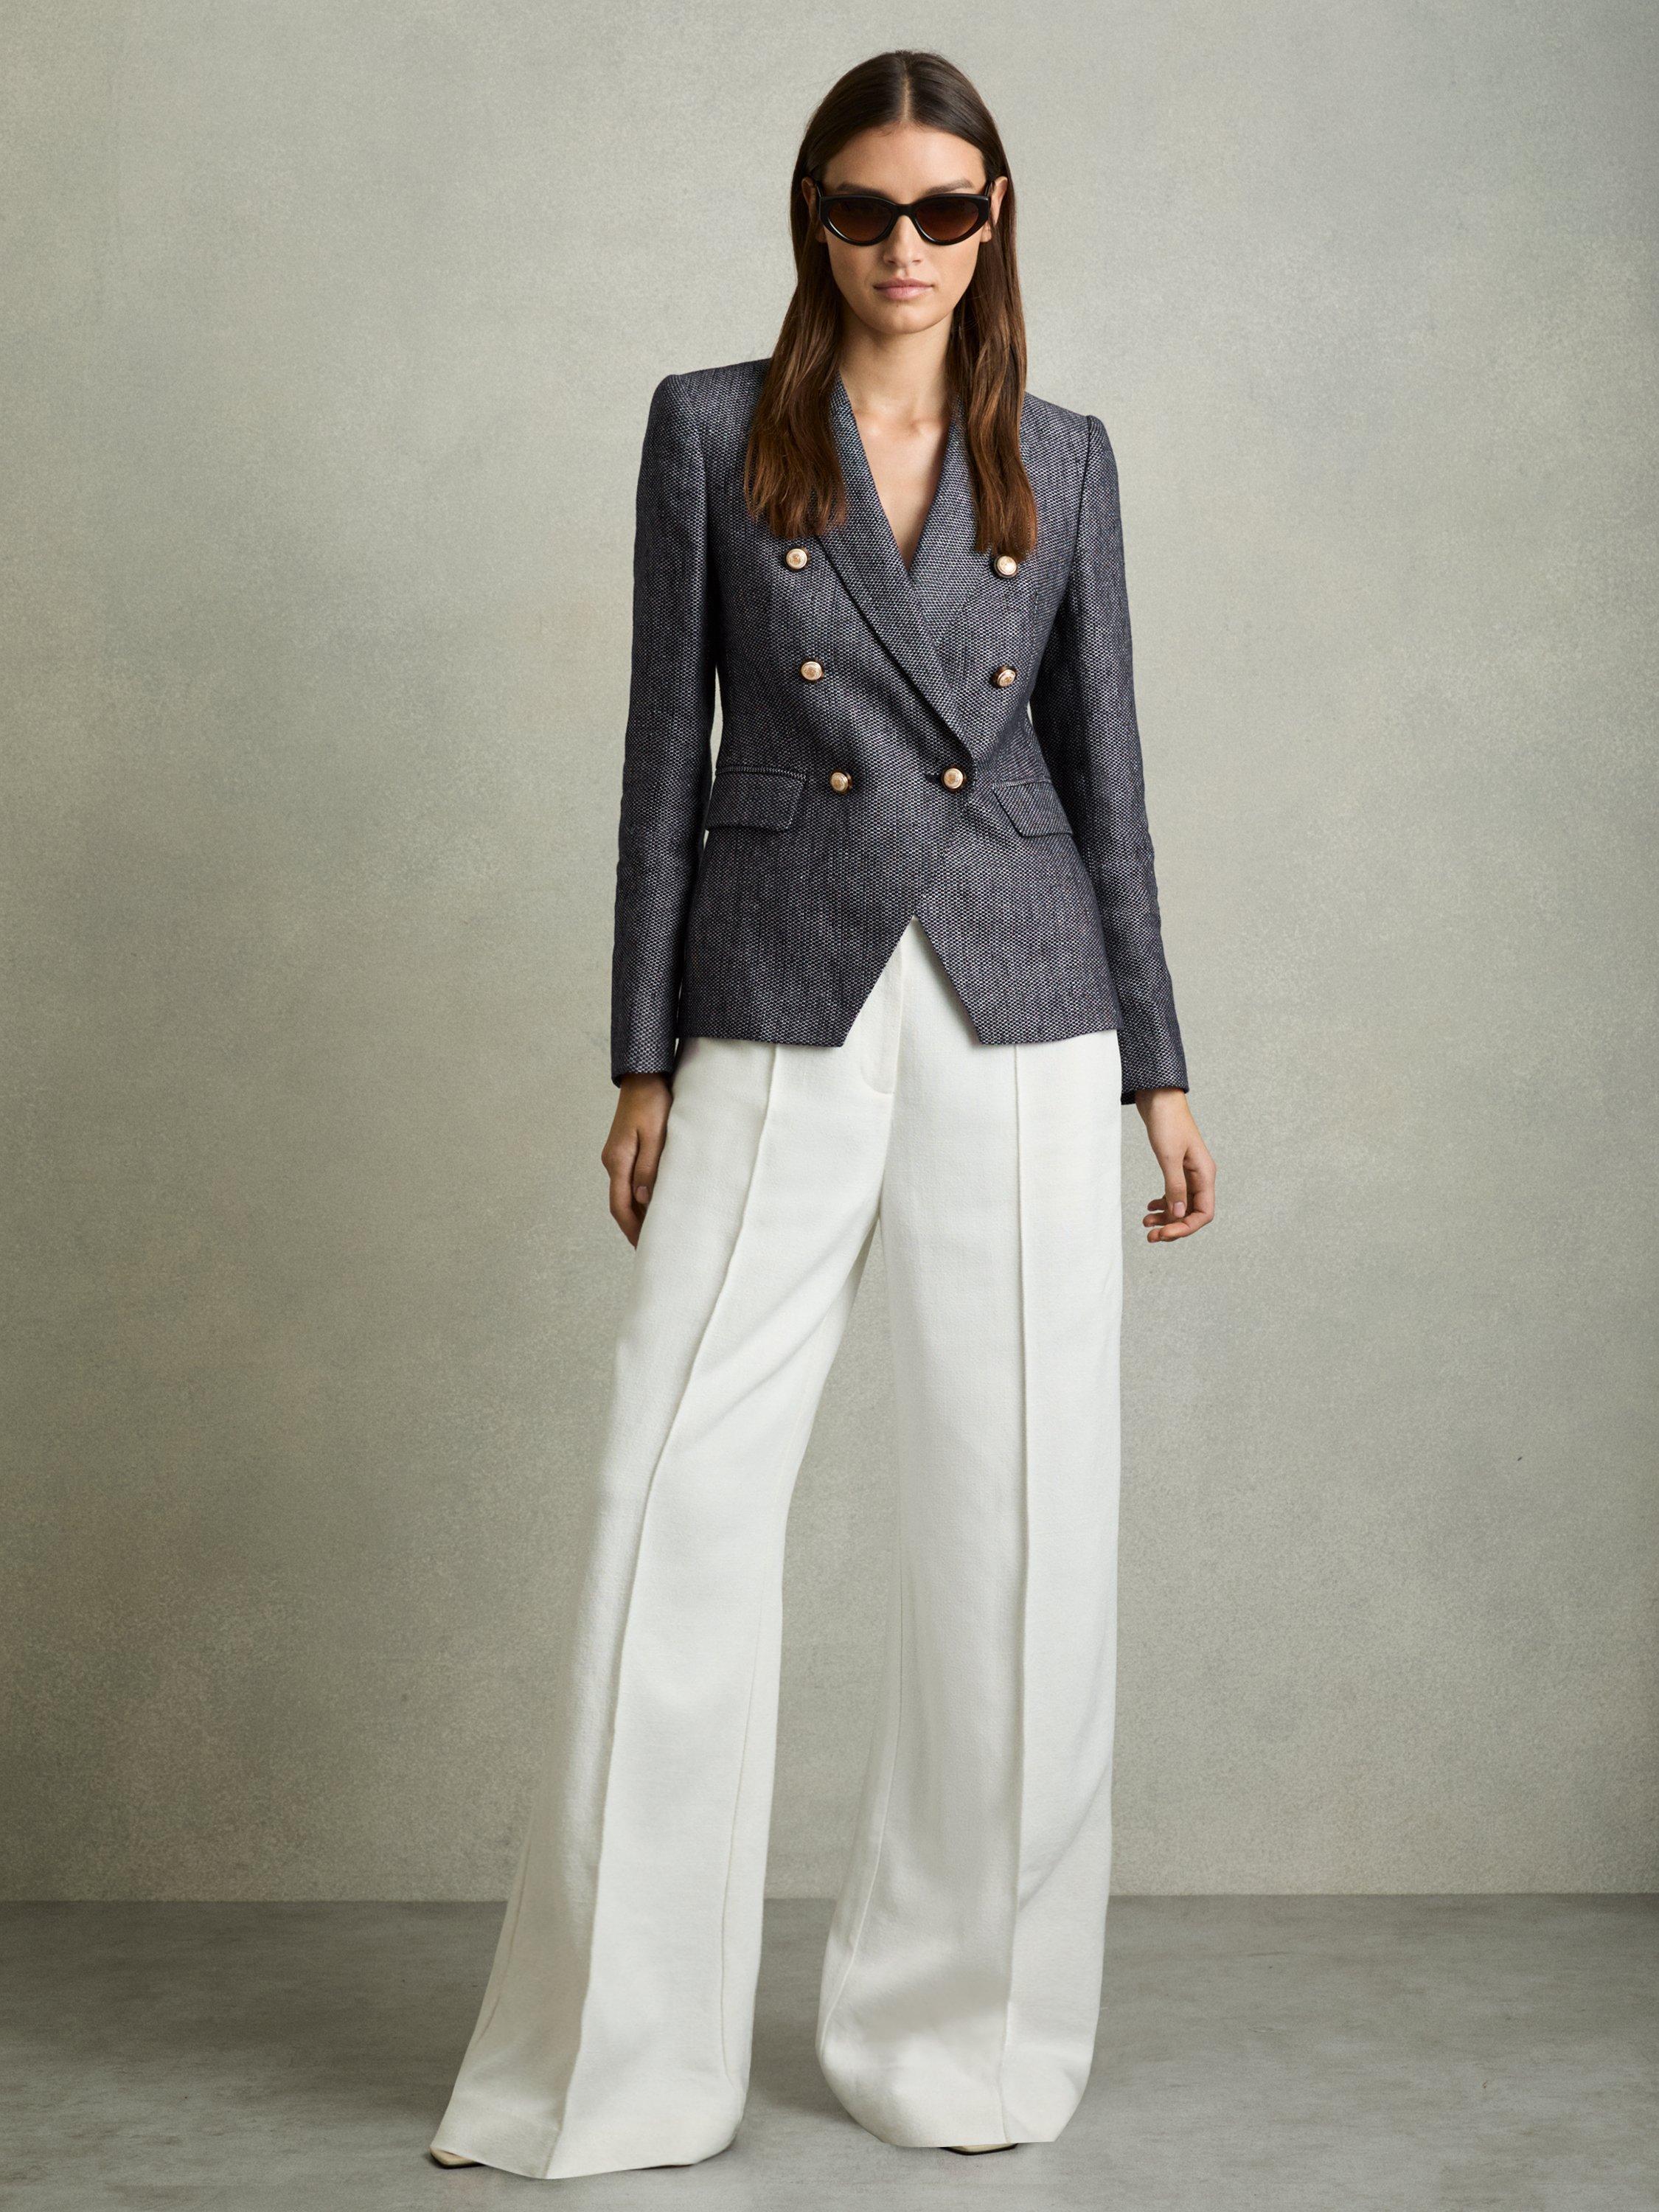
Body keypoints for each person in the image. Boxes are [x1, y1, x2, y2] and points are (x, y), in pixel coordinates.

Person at [428, 45, 1216, 2183]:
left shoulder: (1063, 457)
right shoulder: (712, 429)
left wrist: (1155, 1064)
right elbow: (655, 757)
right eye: (865, 208)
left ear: (993, 221)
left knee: (1023, 1525)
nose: (903, 246)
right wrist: (639, 1054)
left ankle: (965, 2042)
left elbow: (1109, 774)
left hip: (1022, 1000)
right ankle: (615, 2062)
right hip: (777, 988)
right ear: (814, 217)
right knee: (670, 1495)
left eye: (944, 209)